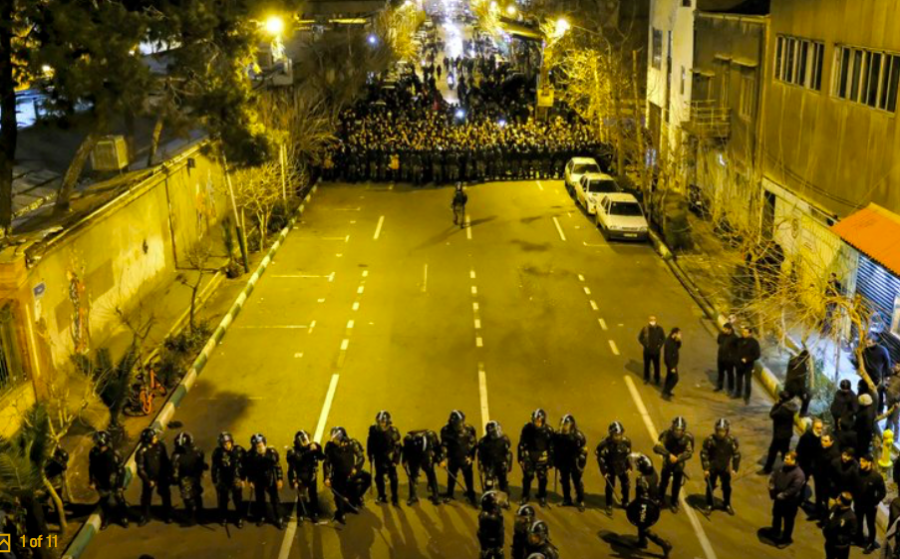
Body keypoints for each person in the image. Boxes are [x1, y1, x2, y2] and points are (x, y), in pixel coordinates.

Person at [627, 453, 672, 558]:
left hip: (646, 505)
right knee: (641, 523)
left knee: (642, 524)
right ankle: (642, 542)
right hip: (653, 501)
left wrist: (634, 506)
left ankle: (664, 544)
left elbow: (642, 496)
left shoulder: (642, 479)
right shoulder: (653, 473)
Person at [324, 426, 370, 524]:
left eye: (336, 439)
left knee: (367, 478)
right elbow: (327, 463)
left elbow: (361, 457)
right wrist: (327, 477)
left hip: (351, 473)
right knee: (339, 495)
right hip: (338, 475)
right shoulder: (329, 446)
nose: (333, 441)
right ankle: (341, 513)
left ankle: (357, 497)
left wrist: (356, 469)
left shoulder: (352, 443)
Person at [88, 430, 128, 529]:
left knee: (119, 500)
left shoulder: (113, 454)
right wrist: (92, 481)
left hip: (114, 482)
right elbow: (91, 467)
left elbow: (121, 470)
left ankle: (123, 517)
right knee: (105, 502)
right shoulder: (93, 453)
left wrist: (120, 485)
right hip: (101, 482)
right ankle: (107, 518)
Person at [244, 433, 284, 529]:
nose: (260, 447)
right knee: (260, 500)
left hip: (270, 479)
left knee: (275, 499)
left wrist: (279, 479)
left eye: (261, 444)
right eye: (257, 446)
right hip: (258, 480)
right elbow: (249, 469)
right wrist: (250, 480)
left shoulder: (272, 453)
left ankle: (279, 517)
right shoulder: (250, 455)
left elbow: (277, 466)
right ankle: (261, 516)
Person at [653, 417, 694, 513]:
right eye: (676, 430)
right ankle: (660, 498)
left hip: (679, 465)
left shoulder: (688, 438)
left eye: (680, 430)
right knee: (663, 482)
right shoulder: (666, 434)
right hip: (667, 462)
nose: (677, 432)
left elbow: (689, 452)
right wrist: (668, 454)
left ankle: (674, 501)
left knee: (676, 484)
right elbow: (657, 447)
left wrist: (679, 458)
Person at [701, 418, 740, 516]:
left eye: (723, 431)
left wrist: (735, 468)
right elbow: (704, 454)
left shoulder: (731, 441)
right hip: (712, 467)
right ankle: (709, 504)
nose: (720, 433)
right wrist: (705, 468)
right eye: (719, 431)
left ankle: (727, 504)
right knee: (710, 486)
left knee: (727, 487)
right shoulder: (710, 440)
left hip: (725, 468)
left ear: (727, 431)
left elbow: (736, 455)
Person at [440, 410, 478, 506]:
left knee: (468, 477)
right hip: (452, 458)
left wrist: (471, 457)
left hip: (465, 458)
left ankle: (470, 493)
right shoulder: (445, 430)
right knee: (451, 476)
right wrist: (442, 458)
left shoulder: (469, 429)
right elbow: (444, 445)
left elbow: (473, 444)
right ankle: (449, 493)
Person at [768, 451, 805, 548]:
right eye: (785, 458)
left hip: (790, 502)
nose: (785, 460)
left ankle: (786, 538)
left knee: (788, 520)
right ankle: (775, 530)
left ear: (794, 461)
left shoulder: (799, 474)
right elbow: (773, 476)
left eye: (787, 459)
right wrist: (772, 488)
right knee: (776, 515)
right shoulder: (781, 467)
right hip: (778, 498)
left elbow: (794, 488)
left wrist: (783, 495)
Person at [136, 428, 172, 526]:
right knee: (146, 498)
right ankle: (145, 516)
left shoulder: (160, 446)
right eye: (154, 437)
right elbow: (140, 469)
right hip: (149, 478)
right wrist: (147, 480)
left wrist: (169, 473)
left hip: (162, 475)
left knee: (166, 495)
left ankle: (167, 514)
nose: (156, 438)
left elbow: (165, 460)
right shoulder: (141, 452)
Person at [286, 430, 325, 522]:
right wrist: (292, 480)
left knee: (313, 495)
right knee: (301, 496)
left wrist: (316, 450)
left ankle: (314, 513)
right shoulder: (293, 452)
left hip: (312, 476)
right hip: (301, 477)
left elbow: (322, 457)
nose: (307, 442)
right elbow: (291, 468)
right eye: (304, 440)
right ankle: (300, 514)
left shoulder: (312, 447)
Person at [518, 409, 554, 507]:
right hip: (529, 455)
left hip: (542, 456)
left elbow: (551, 446)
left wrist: (551, 460)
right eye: (535, 421)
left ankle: (542, 496)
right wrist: (520, 458)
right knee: (527, 477)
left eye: (539, 421)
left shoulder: (549, 430)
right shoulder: (527, 429)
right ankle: (525, 495)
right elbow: (521, 444)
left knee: (542, 478)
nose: (537, 423)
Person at [595, 421, 631, 515]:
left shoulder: (626, 442)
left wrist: (629, 466)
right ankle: (609, 505)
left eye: (619, 434)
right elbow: (600, 457)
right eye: (616, 435)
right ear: (611, 434)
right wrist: (604, 471)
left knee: (626, 485)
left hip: (622, 466)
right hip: (610, 468)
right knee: (610, 487)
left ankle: (625, 501)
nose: (618, 437)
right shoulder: (604, 444)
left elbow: (628, 455)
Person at [171, 432, 207, 526]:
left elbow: (200, 462)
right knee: (188, 497)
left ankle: (198, 514)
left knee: (196, 495)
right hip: (185, 478)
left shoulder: (196, 451)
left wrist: (202, 469)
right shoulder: (178, 455)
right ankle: (193, 516)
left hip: (194, 476)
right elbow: (174, 469)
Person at [367, 410, 402, 507]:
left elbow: (398, 448)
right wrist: (370, 454)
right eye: (379, 422)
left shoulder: (394, 432)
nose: (381, 424)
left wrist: (395, 460)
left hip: (389, 458)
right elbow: (370, 442)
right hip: (378, 457)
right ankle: (381, 495)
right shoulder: (373, 430)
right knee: (378, 478)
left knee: (393, 478)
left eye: (383, 422)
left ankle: (395, 497)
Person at [211, 431, 245, 527]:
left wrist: (243, 478)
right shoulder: (217, 453)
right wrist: (214, 480)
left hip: (236, 478)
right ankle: (223, 517)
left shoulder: (239, 450)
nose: (227, 445)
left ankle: (239, 518)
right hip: (223, 479)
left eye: (228, 443)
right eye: (224, 444)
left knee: (238, 500)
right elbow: (214, 467)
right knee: (223, 500)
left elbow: (245, 465)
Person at [553, 414, 587, 511]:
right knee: (564, 481)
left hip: (574, 462)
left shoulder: (578, 436)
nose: (564, 427)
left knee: (577, 482)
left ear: (571, 425)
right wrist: (556, 460)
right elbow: (555, 449)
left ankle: (580, 500)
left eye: (566, 424)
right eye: (563, 424)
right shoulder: (558, 435)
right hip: (564, 462)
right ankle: (567, 499)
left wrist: (581, 464)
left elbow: (584, 451)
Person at [401, 429, 444, 506]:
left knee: (431, 475)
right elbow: (406, 451)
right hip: (414, 458)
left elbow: (437, 448)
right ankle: (413, 496)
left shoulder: (431, 437)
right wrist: (404, 460)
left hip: (426, 457)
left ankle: (436, 495)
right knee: (413, 477)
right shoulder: (408, 440)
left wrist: (440, 460)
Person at [855, 454, 885, 554]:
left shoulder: (876, 477)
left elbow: (882, 493)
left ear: (869, 463)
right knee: (858, 522)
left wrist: (875, 502)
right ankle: (859, 538)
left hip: (870, 506)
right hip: (858, 504)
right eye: (860, 461)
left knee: (870, 524)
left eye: (863, 461)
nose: (860, 463)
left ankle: (871, 543)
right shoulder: (858, 472)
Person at [763, 391, 798, 474]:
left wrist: (776, 404)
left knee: (772, 451)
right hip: (787, 434)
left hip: (779, 435)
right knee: (785, 452)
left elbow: (772, 414)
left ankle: (767, 469)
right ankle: (789, 467)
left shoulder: (782, 410)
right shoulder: (791, 408)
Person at [478, 420, 513, 495]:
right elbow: (480, 455)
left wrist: (508, 465)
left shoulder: (504, 439)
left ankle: (505, 500)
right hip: (490, 464)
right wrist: (481, 465)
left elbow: (509, 453)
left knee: (503, 485)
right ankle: (489, 499)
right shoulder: (483, 442)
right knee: (488, 484)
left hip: (501, 463)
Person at [795, 418, 823, 511]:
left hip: (813, 465)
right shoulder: (806, 437)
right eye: (817, 428)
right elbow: (799, 450)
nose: (819, 430)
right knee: (802, 482)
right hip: (805, 464)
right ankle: (798, 499)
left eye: (820, 428)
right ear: (813, 427)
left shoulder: (819, 437)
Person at [814, 432, 842, 522]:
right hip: (819, 477)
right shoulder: (820, 447)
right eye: (822, 440)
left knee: (825, 501)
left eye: (826, 441)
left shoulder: (834, 455)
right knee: (818, 496)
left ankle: (825, 518)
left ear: (832, 442)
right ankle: (817, 512)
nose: (823, 442)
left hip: (827, 482)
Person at [862, 336, 892, 412]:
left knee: (877, 395)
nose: (867, 345)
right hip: (866, 375)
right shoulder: (865, 349)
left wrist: (886, 375)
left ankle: (878, 411)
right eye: (866, 343)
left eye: (869, 343)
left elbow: (887, 363)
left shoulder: (882, 350)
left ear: (874, 342)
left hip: (877, 377)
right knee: (864, 392)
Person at [823, 492, 857, 559]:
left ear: (844, 502)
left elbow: (853, 533)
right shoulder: (835, 507)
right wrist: (825, 529)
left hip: (840, 548)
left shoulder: (851, 517)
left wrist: (841, 539)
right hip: (830, 543)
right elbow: (828, 518)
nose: (837, 498)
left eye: (839, 498)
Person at [734, 326, 760, 404]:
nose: (743, 333)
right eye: (743, 332)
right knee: (738, 379)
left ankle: (747, 396)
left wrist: (747, 359)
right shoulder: (739, 340)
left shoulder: (754, 343)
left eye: (745, 332)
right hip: (739, 364)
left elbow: (757, 355)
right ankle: (738, 393)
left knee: (747, 381)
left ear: (750, 333)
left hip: (748, 365)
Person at [477, 490, 506, 559]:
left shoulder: (492, 512)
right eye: (495, 501)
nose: (497, 502)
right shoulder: (490, 518)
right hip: (492, 546)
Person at [638, 316, 666, 385]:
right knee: (647, 365)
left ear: (656, 320)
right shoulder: (645, 329)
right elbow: (640, 338)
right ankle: (646, 378)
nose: (652, 321)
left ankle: (657, 379)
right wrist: (645, 345)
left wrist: (659, 346)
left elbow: (663, 338)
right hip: (647, 351)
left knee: (656, 366)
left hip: (656, 352)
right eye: (651, 320)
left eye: (653, 320)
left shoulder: (660, 329)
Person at [784, 350, 813, 417]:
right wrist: (804, 394)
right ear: (806, 359)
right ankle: (803, 412)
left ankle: (783, 403)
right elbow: (801, 382)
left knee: (790, 395)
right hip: (794, 387)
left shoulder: (793, 360)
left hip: (788, 384)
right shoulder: (802, 367)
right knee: (808, 395)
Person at [715, 323, 739, 393]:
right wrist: (720, 334)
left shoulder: (735, 338)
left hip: (729, 359)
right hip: (721, 357)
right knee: (720, 373)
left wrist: (733, 357)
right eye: (723, 329)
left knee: (730, 374)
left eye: (725, 329)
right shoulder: (722, 335)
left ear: (730, 330)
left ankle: (730, 388)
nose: (723, 330)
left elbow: (737, 349)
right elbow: (719, 342)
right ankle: (719, 386)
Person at [855, 393, 878, 458]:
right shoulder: (872, 408)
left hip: (863, 435)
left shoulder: (866, 413)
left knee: (862, 449)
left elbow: (867, 428)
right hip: (866, 434)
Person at [662, 328, 682, 399]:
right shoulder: (669, 343)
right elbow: (668, 356)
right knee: (675, 378)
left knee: (669, 377)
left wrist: (678, 340)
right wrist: (672, 367)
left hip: (673, 363)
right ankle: (665, 392)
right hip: (671, 363)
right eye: (679, 334)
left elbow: (678, 346)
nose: (680, 336)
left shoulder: (674, 341)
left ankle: (667, 391)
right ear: (674, 334)